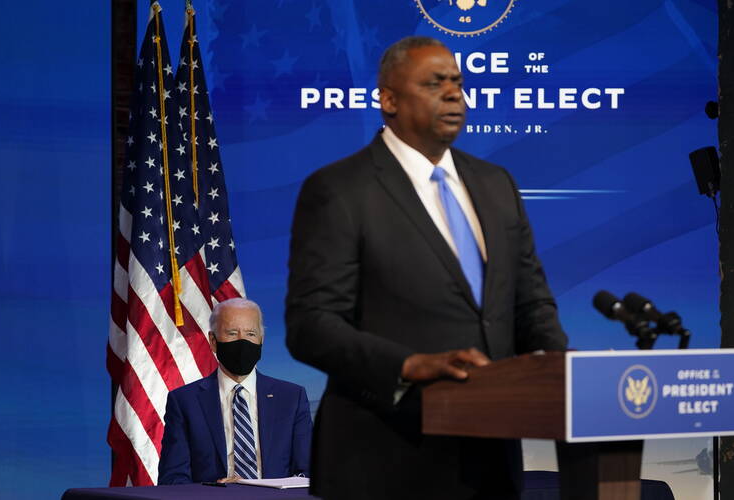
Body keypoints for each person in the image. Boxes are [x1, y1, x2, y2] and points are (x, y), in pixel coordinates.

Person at [285, 36, 567, 500]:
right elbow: (310, 326)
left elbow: (530, 302)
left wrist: (560, 369)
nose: (454, 94)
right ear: (389, 100)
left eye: (456, 82)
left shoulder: (495, 185)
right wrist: (409, 364)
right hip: (384, 458)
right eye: (435, 83)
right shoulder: (340, 189)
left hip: (489, 462)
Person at [158, 298, 312, 484]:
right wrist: (215, 492)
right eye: (232, 333)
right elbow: (172, 480)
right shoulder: (184, 401)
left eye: (250, 334)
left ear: (261, 341)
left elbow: (307, 472)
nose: (242, 341)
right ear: (213, 341)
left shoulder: (291, 398)